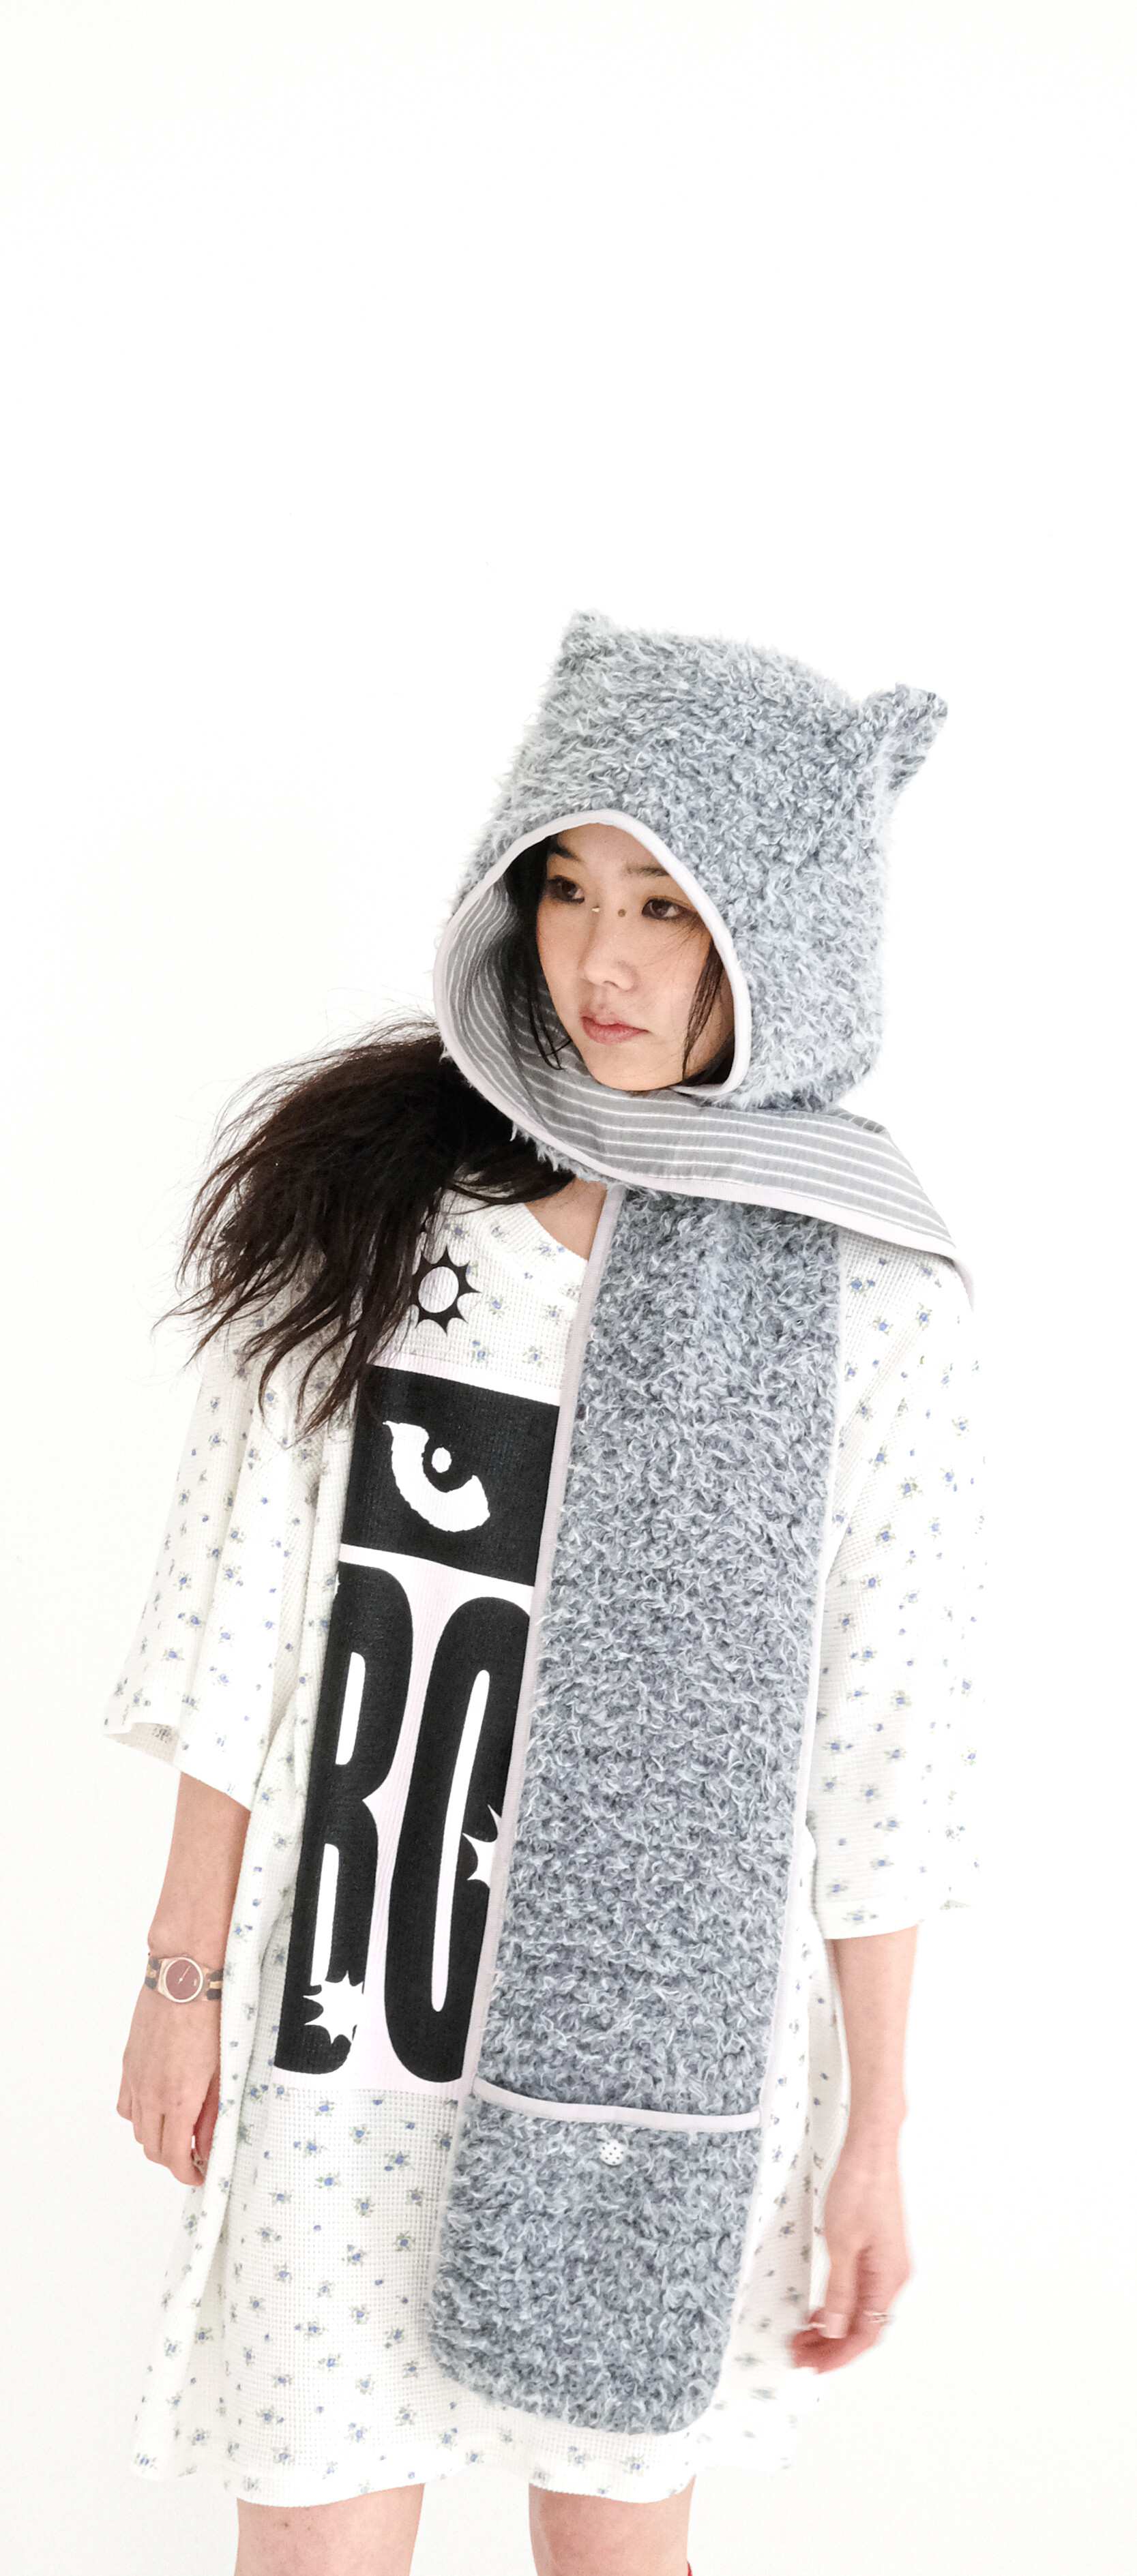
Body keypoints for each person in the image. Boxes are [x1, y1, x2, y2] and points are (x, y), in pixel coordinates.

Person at [108, 612, 982, 2576]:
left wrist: (876, 2126)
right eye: (569, 887)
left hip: (652, 2061)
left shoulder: (866, 1295)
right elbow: (240, 1598)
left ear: (783, 931)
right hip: (349, 1996)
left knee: (613, 2554)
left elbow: (884, 1742)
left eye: (668, 907)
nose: (602, 961)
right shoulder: (381, 1204)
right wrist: (180, 1972)